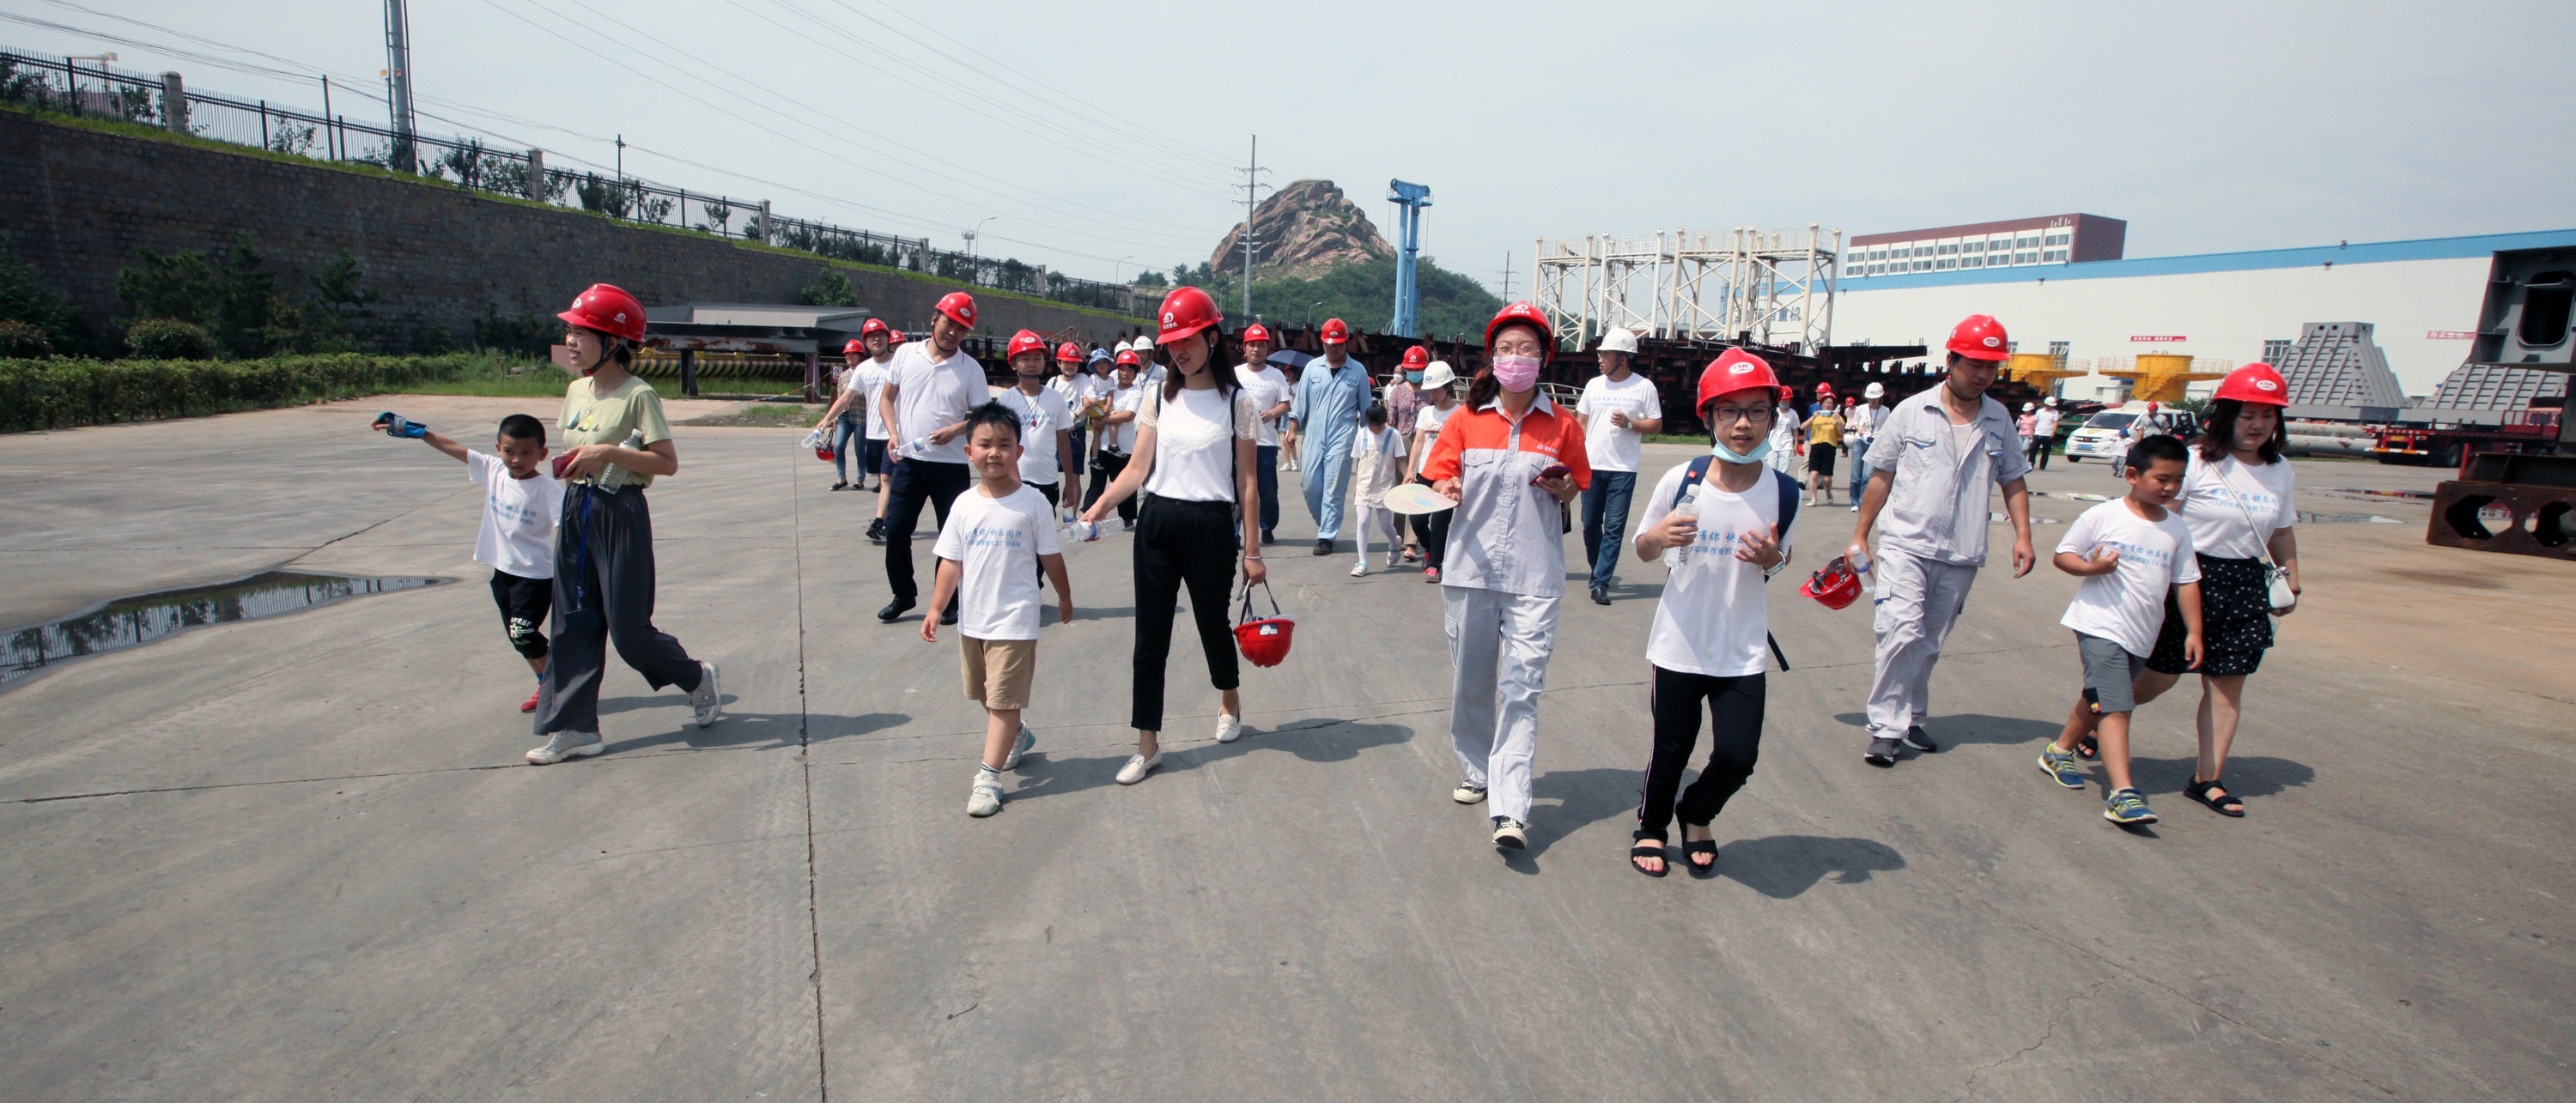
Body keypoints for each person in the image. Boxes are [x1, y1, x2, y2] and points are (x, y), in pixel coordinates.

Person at [1078, 287, 1266, 785]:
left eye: (1187, 340)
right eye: (1171, 343)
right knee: (1150, 637)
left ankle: (1229, 698)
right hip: (1157, 523)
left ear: (1211, 338)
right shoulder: (1157, 396)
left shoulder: (1238, 402)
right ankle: (1147, 745)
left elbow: (1247, 483)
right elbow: (1137, 467)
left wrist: (1252, 551)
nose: (1178, 351)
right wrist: (1098, 508)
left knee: (1211, 624)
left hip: (1211, 527)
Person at [1422, 301, 1591, 850]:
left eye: (1527, 349)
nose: (1516, 358)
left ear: (1543, 358)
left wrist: (1564, 488)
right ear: (1492, 357)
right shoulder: (1464, 420)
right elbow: (1438, 474)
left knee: (1521, 690)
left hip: (1533, 576)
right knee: (1470, 683)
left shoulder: (1563, 425)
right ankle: (1477, 769)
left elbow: (1577, 486)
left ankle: (1511, 809)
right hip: (1469, 571)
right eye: (1506, 349)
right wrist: (1447, 486)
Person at [530, 283, 721, 765]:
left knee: (629, 633)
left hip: (621, 511)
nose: (571, 340)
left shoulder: (640, 395)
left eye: (582, 332)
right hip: (578, 507)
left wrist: (609, 453)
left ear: (613, 341)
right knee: (572, 622)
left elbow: (667, 463)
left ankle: (696, 677)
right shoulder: (576, 390)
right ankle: (575, 729)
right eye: (570, 331)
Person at [1625, 349, 1795, 876]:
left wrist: (1772, 560)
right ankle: (1652, 827)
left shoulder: (1783, 491)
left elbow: (1781, 559)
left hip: (1741, 647)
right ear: (1709, 417)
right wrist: (1659, 535)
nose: (1743, 424)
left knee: (1739, 757)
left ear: (1773, 417)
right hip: (1680, 642)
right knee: (1670, 749)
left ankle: (1696, 811)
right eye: (1730, 411)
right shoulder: (1682, 479)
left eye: (1757, 411)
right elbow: (1643, 549)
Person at [1848, 313, 2036, 767]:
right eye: (1975, 364)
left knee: (1928, 642)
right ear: (1951, 360)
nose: (1983, 374)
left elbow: (2013, 478)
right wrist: (1860, 535)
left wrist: (2023, 535)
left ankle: (1911, 717)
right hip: (1906, 543)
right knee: (1900, 630)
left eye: (1992, 366)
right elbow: (1881, 475)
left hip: (1961, 551)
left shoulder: (1999, 419)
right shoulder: (1913, 411)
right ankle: (1886, 728)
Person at [2114, 363, 2300, 817]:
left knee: (2227, 686)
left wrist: (2291, 575)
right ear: (2226, 416)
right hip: (2186, 579)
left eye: (2268, 416)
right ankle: (2096, 720)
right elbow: (2158, 515)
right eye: (2247, 415)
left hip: (2243, 584)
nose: (2257, 425)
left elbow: (2281, 531)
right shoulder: (2195, 461)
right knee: (2160, 677)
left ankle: (2207, 779)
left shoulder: (2280, 470)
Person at [2034, 433, 2203, 826]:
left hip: (2142, 632)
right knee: (2116, 704)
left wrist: (2194, 631)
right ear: (2132, 475)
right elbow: (2063, 556)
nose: (2170, 487)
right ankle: (2122, 794)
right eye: (2162, 479)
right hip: (2099, 624)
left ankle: (2059, 751)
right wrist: (2093, 568)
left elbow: (2186, 582)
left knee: (2100, 697)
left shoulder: (2177, 528)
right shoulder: (2104, 515)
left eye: (2178, 480)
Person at [922, 401, 1073, 818]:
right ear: (968, 451)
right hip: (973, 619)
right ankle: (1017, 735)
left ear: (1018, 452)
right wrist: (935, 608)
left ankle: (988, 777)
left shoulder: (1033, 503)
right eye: (985, 444)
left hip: (1016, 619)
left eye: (1004, 445)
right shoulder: (963, 504)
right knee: (986, 696)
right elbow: (951, 561)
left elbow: (1051, 557)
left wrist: (1064, 597)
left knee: (1004, 701)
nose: (994, 453)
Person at [373, 410, 561, 713]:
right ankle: (547, 683)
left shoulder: (548, 489)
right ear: (498, 449)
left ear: (542, 454)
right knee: (517, 638)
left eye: (527, 453)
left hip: (534, 576)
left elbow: (568, 528)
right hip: (503, 571)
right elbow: (453, 447)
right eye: (509, 451)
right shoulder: (493, 470)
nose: (517, 459)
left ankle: (559, 682)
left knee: (523, 633)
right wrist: (417, 431)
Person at [877, 293, 986, 626]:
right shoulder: (905, 354)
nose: (953, 332)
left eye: (961, 328)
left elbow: (982, 416)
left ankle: (948, 600)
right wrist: (892, 433)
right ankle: (903, 594)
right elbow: (887, 399)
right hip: (909, 461)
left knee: (950, 537)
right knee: (896, 529)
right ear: (934, 318)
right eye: (949, 323)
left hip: (950, 466)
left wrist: (956, 430)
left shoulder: (971, 369)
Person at [1577, 327, 1665, 605]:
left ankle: (1600, 582)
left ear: (1623, 358)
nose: (1600, 359)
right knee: (1590, 524)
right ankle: (1598, 568)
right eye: (1600, 354)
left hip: (1623, 468)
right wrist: (1572, 456)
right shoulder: (1593, 385)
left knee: (1613, 527)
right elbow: (1581, 423)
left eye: (1606, 354)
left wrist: (1630, 424)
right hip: (1592, 464)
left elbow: (1656, 425)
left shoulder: (1644, 387)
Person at [1292, 318, 1372, 555]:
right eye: (1328, 344)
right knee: (1310, 486)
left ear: (1346, 343)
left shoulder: (1358, 371)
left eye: (1337, 344)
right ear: (1322, 343)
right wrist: (1292, 427)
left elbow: (1366, 409)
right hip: (1313, 435)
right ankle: (1326, 523)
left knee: (1334, 488)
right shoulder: (1312, 368)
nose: (1332, 348)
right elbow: (1300, 402)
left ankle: (1326, 536)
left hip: (1343, 435)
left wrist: (1367, 440)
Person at [994, 330, 1080, 518]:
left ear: (1044, 363)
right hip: (1015, 481)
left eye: (1037, 358)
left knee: (1045, 531)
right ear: (1013, 363)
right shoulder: (1006, 400)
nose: (1032, 364)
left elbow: (1063, 443)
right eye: (1025, 359)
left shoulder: (1056, 398)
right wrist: (1016, 483)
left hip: (1047, 480)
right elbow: (1002, 445)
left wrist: (1069, 483)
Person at [1236, 323, 1293, 544]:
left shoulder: (1276, 375)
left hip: (1265, 443)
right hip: (1238, 441)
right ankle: (1234, 532)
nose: (1256, 349)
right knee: (1236, 488)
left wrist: (1271, 413)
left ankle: (1267, 526)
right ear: (1245, 347)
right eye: (1252, 344)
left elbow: (1285, 404)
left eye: (1261, 345)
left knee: (1267, 490)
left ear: (1267, 349)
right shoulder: (1235, 373)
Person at [1408, 361, 1461, 583]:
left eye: (1436, 390)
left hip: (1446, 476)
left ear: (1449, 386)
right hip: (1424, 474)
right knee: (1417, 520)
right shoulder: (1425, 412)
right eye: (1429, 390)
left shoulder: (1460, 413)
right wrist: (1410, 470)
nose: (1432, 395)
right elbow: (1419, 442)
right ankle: (1430, 548)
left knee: (1440, 524)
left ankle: (1435, 565)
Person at [1081, 352, 1145, 530]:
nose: (1125, 374)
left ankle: (1127, 519)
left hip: (1124, 447)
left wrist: (1103, 419)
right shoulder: (1110, 388)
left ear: (1136, 373)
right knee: (1097, 482)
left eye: (1130, 370)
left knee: (1124, 484)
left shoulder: (1136, 392)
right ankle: (1088, 516)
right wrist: (1094, 415)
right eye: (1122, 369)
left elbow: (1128, 415)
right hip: (1102, 444)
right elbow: (1094, 403)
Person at [1347, 401, 1409, 576]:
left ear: (1385, 422)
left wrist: (1408, 478)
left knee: (1385, 525)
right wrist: (1357, 483)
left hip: (1384, 485)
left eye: (1379, 426)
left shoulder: (1393, 435)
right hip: (1364, 486)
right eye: (1372, 426)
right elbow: (1359, 460)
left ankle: (1394, 543)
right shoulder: (1362, 434)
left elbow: (1400, 460)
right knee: (1363, 522)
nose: (1375, 430)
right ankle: (1362, 563)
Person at [1385, 346, 1431, 562]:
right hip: (1401, 442)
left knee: (1417, 489)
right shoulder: (1397, 391)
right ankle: (1399, 535)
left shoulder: (1431, 392)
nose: (1413, 373)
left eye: (1417, 369)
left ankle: (1412, 541)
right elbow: (1390, 421)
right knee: (1401, 489)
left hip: (1423, 443)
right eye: (1410, 369)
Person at [812, 338, 870, 491]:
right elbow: (840, 398)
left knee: (860, 450)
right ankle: (841, 479)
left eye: (853, 354)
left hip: (861, 416)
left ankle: (859, 481)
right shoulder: (843, 376)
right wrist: (834, 418)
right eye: (847, 354)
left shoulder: (866, 374)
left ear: (860, 356)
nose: (849, 357)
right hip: (845, 416)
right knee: (838, 447)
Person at [1048, 341, 1091, 479]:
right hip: (1055, 431)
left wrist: (1074, 417)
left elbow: (1092, 401)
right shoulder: (1053, 382)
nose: (1070, 366)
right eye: (1066, 362)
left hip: (1075, 432)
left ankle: (1073, 495)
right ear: (1058, 363)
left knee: (1073, 476)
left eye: (1074, 363)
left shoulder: (1083, 379)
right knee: (1050, 473)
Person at [1847, 382, 1886, 509]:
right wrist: (1859, 429)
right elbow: (1855, 422)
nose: (1872, 401)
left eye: (1875, 398)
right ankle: (1855, 502)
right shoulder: (1862, 408)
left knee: (1868, 475)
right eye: (1870, 398)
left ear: (1880, 398)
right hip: (1860, 441)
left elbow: (1887, 427)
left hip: (1875, 442)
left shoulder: (1885, 411)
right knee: (1856, 475)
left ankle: (1863, 502)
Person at [1803, 390, 1844, 506]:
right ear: (1821, 404)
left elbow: (1842, 433)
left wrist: (1838, 421)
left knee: (1827, 478)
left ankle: (1828, 491)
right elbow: (1803, 426)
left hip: (1829, 447)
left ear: (1834, 405)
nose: (1827, 405)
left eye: (1830, 403)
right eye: (1825, 402)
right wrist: (1813, 417)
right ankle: (1814, 499)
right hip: (1816, 446)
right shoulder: (1816, 416)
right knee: (1814, 474)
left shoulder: (1836, 417)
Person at [1765, 385, 1800, 476]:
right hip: (1772, 443)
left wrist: (1796, 445)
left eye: (1787, 399)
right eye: (1783, 399)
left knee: (1783, 470)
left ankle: (1780, 484)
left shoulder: (1793, 413)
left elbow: (1795, 430)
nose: (1784, 402)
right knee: (1771, 469)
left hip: (1786, 444)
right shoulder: (1773, 412)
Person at [2030, 396, 2059, 470]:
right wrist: (2031, 430)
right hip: (2038, 433)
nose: (2052, 407)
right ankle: (2031, 463)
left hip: (2048, 434)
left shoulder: (2055, 412)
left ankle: (2043, 466)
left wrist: (2054, 431)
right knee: (2033, 449)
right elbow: (2035, 421)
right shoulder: (2039, 411)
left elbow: (2055, 422)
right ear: (2046, 404)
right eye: (2050, 405)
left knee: (2046, 451)